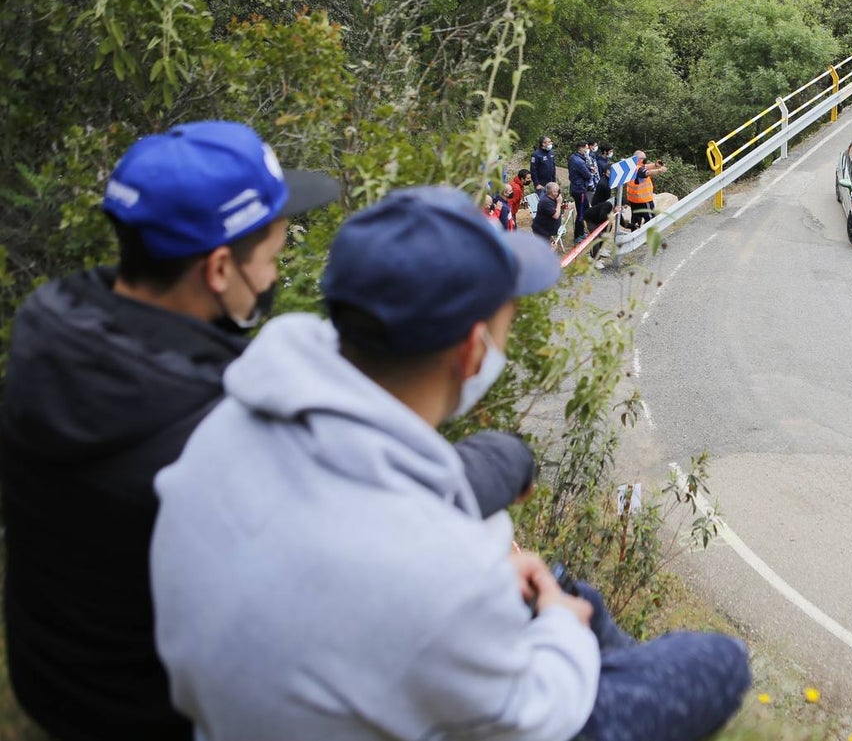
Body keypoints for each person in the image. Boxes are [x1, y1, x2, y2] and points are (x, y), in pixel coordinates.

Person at [149, 185, 751, 741]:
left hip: (249, 705)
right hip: (454, 698)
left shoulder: (223, 429)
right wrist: (559, 625)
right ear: (470, 352)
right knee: (716, 662)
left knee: (562, 591)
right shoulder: (439, 573)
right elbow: (537, 715)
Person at [0, 120, 341, 741]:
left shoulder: (49, 329)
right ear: (219, 269)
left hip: (50, 678)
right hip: (156, 717)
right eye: (270, 258)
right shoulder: (215, 429)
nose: (272, 277)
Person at [625, 150, 667, 231]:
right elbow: (647, 172)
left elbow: (646, 167)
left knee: (636, 219)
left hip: (633, 200)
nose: (645, 159)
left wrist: (655, 165)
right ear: (639, 159)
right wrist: (659, 170)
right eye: (644, 158)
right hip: (644, 200)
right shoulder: (639, 170)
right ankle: (647, 235)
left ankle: (634, 234)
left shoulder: (631, 166)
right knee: (651, 219)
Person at [584, 176, 620, 268]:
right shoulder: (608, 205)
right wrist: (612, 214)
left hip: (598, 220)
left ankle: (600, 250)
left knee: (608, 229)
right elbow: (601, 217)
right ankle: (595, 259)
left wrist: (632, 226)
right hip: (591, 220)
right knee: (596, 237)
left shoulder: (615, 206)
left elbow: (622, 221)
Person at [568, 140, 594, 242]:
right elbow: (587, 175)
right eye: (586, 148)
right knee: (582, 212)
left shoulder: (574, 157)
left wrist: (589, 168)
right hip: (580, 189)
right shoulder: (579, 161)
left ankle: (581, 232)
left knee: (583, 210)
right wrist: (590, 172)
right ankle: (578, 235)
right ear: (581, 148)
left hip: (576, 187)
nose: (587, 150)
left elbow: (583, 169)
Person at [532, 181, 565, 247]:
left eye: (558, 191)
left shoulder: (553, 198)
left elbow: (557, 211)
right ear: (552, 192)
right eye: (556, 191)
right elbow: (555, 216)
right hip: (541, 230)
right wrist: (559, 203)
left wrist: (562, 207)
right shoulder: (546, 202)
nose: (558, 193)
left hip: (547, 230)